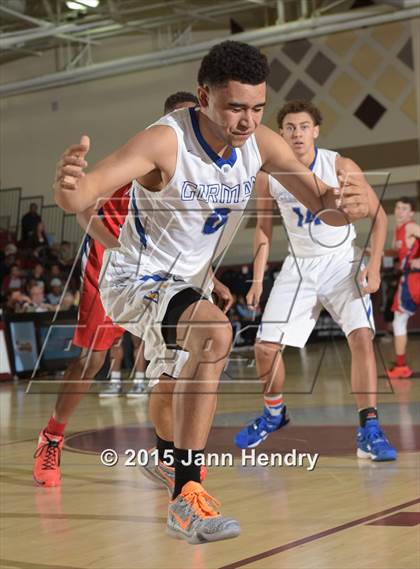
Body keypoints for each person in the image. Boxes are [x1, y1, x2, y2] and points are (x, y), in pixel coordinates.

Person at [52, 41, 369, 544]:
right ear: (204, 96)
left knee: (173, 385)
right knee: (216, 336)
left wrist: (344, 200)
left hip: (187, 281)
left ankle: (167, 464)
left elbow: (320, 201)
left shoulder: (261, 143)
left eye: (258, 107)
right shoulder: (164, 142)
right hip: (136, 277)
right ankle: (187, 498)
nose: (248, 121)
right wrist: (69, 186)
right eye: (236, 108)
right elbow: (85, 192)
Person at [32, 93, 204, 482]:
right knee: (92, 360)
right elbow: (82, 208)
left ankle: (173, 456)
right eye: (177, 119)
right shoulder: (145, 155)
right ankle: (52, 438)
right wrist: (119, 248)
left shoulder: (200, 174)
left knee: (173, 366)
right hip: (113, 263)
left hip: (162, 273)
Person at [234, 99, 396, 462]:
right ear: (280, 134)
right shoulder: (268, 174)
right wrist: (258, 279)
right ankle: (274, 413)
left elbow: (379, 215)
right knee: (264, 349)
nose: (296, 133)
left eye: (303, 126)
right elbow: (263, 229)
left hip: (342, 262)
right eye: (289, 127)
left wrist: (373, 264)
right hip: (299, 266)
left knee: (361, 337)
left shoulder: (339, 165)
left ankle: (369, 428)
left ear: (316, 131)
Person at [387, 198, 420, 378]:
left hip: (414, 279)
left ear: (411, 213)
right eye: (397, 207)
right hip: (411, 278)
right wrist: (374, 252)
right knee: (399, 320)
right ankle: (400, 365)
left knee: (399, 320)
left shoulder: (410, 227)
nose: (400, 211)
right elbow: (397, 253)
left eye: (404, 208)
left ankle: (401, 366)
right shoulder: (398, 231)